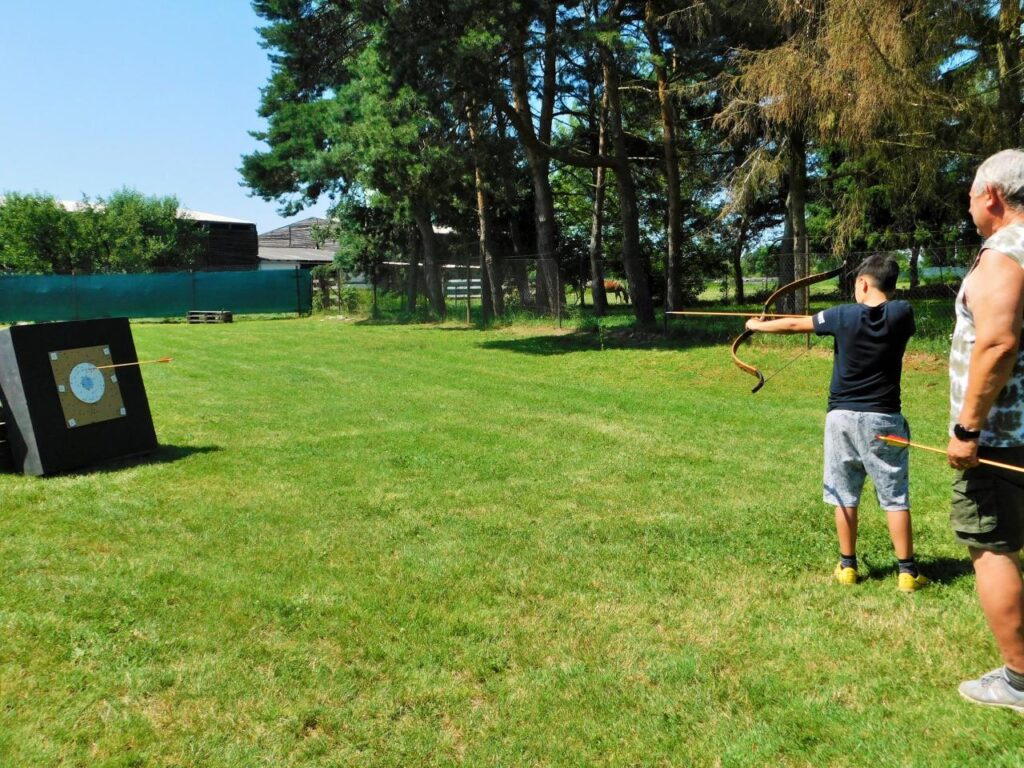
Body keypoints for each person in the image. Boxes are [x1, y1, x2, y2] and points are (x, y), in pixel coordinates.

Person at [746, 255, 926, 592]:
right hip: (884, 419)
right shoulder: (902, 313)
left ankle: (847, 566)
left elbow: (793, 326)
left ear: (863, 283)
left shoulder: (841, 315)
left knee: (844, 493)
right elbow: (878, 311)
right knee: (894, 495)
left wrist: (756, 326)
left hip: (841, 418)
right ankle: (907, 572)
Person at [947, 149, 1024, 713]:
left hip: (1001, 435)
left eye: (971, 194)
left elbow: (996, 344)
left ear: (992, 195)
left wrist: (967, 428)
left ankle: (1019, 681)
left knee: (990, 543)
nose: (969, 206)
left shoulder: (1002, 256)